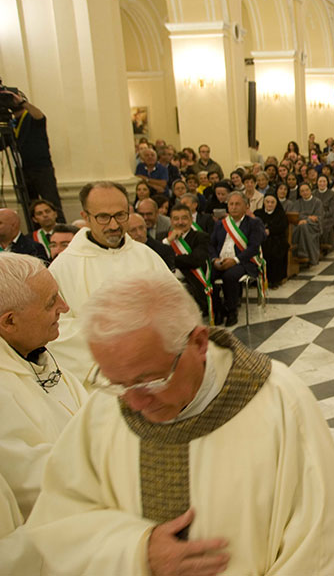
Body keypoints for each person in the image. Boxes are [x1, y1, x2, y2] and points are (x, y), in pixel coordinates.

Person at [24, 274, 334, 575]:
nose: (134, 401)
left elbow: (321, 548)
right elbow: (58, 523)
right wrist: (134, 552)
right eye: (116, 382)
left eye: (150, 381)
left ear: (199, 343)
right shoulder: (104, 410)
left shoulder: (279, 403)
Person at [48, 182, 176, 385]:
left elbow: (176, 308)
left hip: (156, 374)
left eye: (120, 215)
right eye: (103, 217)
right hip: (103, 382)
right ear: (86, 217)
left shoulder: (146, 256)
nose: (114, 225)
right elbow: (55, 329)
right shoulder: (64, 268)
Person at [0, 253, 88, 520]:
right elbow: (31, 484)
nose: (64, 306)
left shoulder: (34, 354)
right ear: (9, 322)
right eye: (51, 302)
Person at [209, 192, 266, 327]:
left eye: (237, 204)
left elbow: (253, 248)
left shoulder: (254, 223)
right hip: (221, 260)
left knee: (230, 276)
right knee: (209, 276)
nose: (233, 207)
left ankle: (231, 311)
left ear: (246, 206)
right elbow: (211, 245)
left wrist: (235, 260)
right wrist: (214, 260)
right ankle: (217, 309)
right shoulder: (220, 224)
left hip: (244, 261)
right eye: (231, 204)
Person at [8, 89, 65, 219]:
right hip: (22, 170)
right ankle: (35, 233)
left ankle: (61, 230)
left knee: (51, 202)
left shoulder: (31, 118)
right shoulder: (11, 124)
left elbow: (40, 116)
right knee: (29, 206)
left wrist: (22, 102)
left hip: (41, 168)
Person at [165, 204, 214, 320]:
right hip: (167, 280)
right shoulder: (165, 237)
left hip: (191, 281)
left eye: (184, 218)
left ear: (191, 220)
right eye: (176, 219)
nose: (180, 222)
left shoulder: (201, 237)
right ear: (171, 221)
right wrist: (168, 241)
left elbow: (195, 260)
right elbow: (157, 258)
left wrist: (172, 258)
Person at [257, 194, 288, 288]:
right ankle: (259, 279)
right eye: (267, 202)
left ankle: (274, 280)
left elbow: (282, 227)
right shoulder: (258, 213)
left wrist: (270, 230)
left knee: (275, 249)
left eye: (272, 202)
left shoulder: (280, 214)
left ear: (276, 203)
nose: (269, 204)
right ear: (264, 202)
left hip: (277, 239)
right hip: (261, 239)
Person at [291, 183, 323, 267]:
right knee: (301, 227)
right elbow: (296, 216)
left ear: (310, 190)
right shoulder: (297, 203)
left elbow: (318, 217)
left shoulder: (317, 202)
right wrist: (308, 217)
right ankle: (302, 254)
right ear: (300, 193)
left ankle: (304, 254)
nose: (305, 192)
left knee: (303, 227)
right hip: (299, 225)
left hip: (314, 226)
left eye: (307, 190)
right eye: (302, 191)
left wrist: (306, 220)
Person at [313, 175, 334, 250]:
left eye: (324, 181)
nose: (322, 183)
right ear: (317, 182)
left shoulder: (332, 194)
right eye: (320, 181)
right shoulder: (313, 193)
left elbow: (331, 211)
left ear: (327, 183)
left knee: (322, 224)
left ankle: (322, 246)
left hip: (328, 217)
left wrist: (321, 215)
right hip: (315, 217)